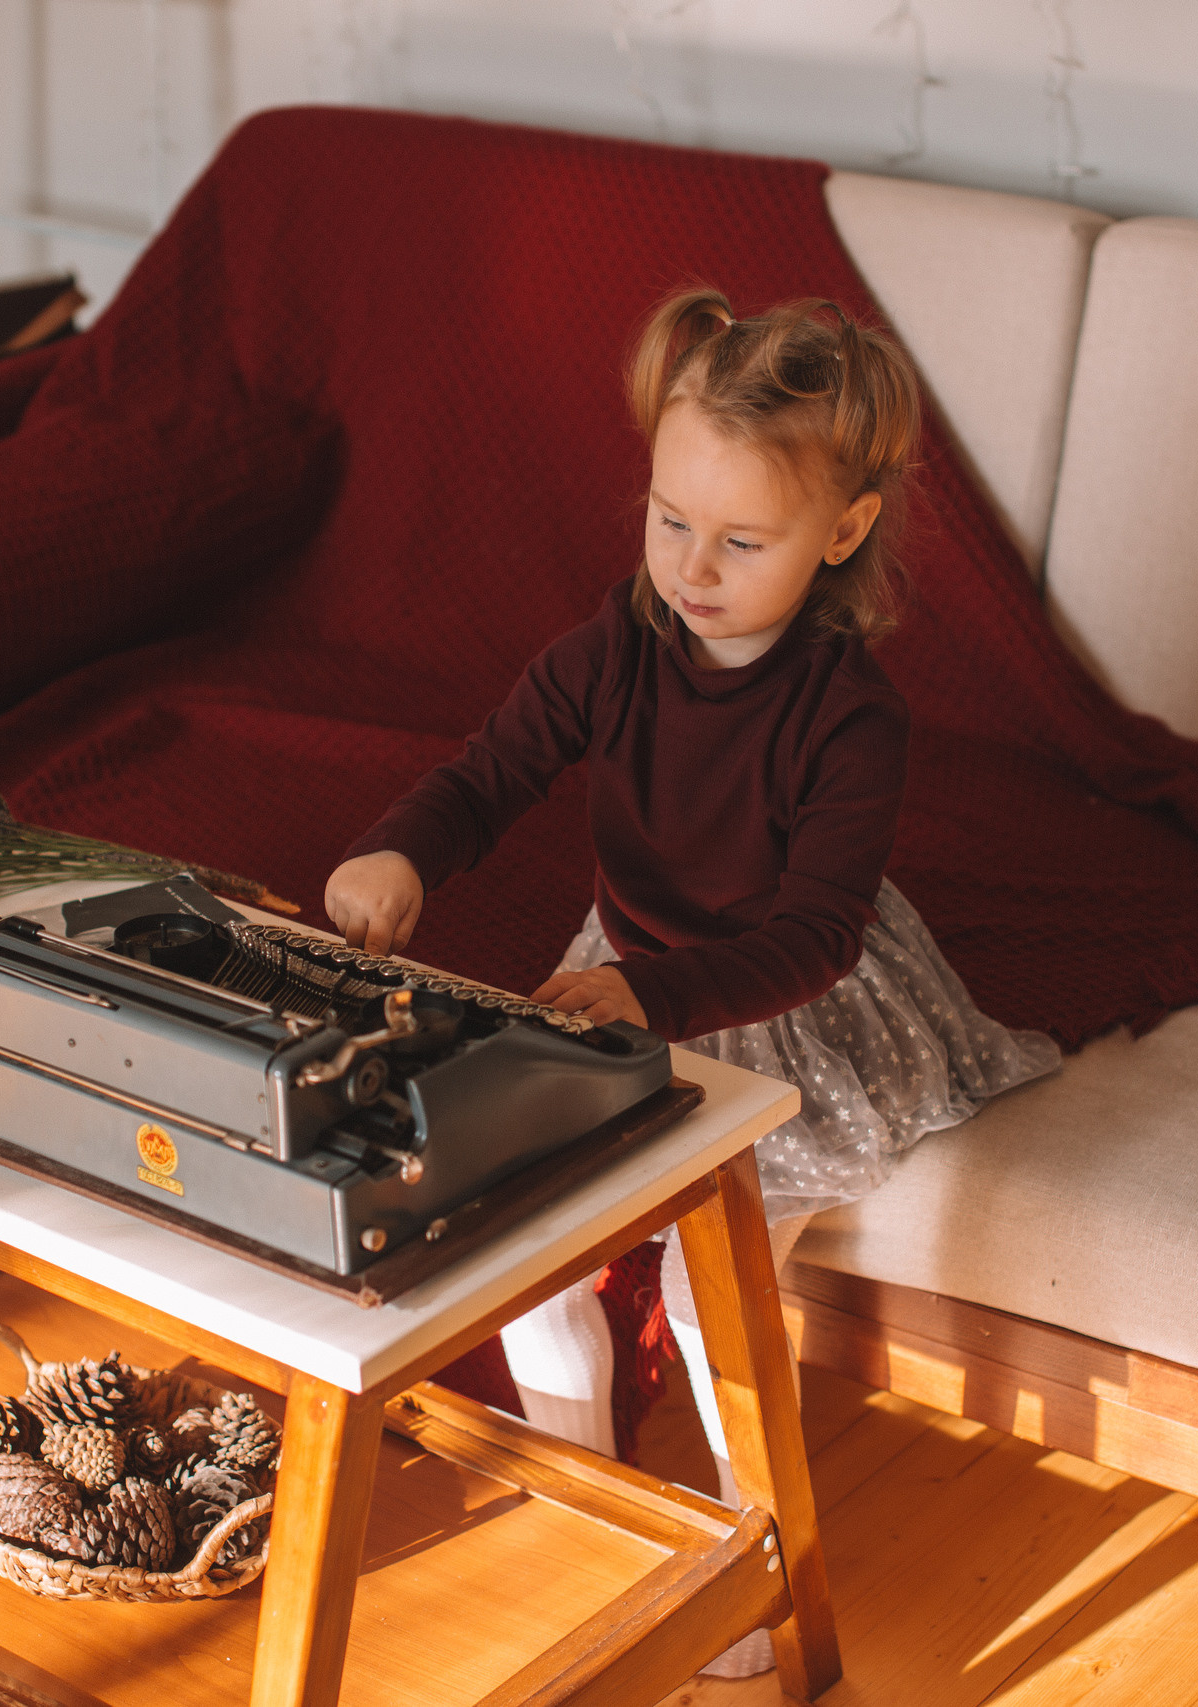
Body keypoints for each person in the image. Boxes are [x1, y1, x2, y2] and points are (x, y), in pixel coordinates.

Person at [325, 286, 1058, 1670]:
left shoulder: (849, 717)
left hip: (784, 997)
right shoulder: (619, 640)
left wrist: (654, 999)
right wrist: (401, 853)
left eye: (742, 540)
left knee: (705, 1266)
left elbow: (817, 935)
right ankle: (587, 1510)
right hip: (632, 966)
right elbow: (494, 770)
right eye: (671, 522)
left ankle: (744, 1553)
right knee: (523, 1237)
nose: (693, 567)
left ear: (842, 533)